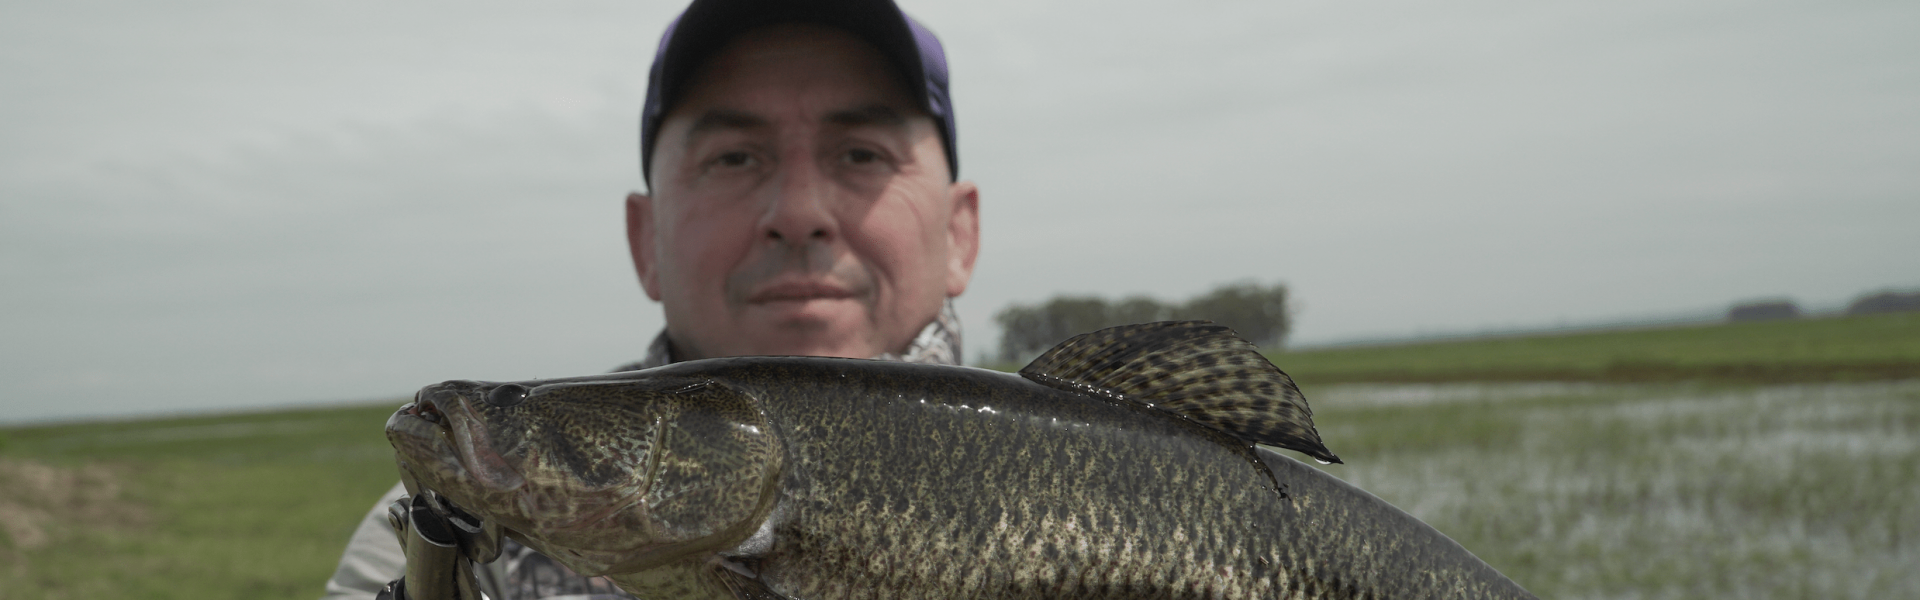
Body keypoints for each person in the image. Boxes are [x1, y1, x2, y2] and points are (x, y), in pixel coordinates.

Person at [320, 0, 979, 598]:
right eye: (734, 158)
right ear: (645, 240)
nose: (799, 212)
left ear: (959, 233)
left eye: (862, 154)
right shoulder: (438, 537)